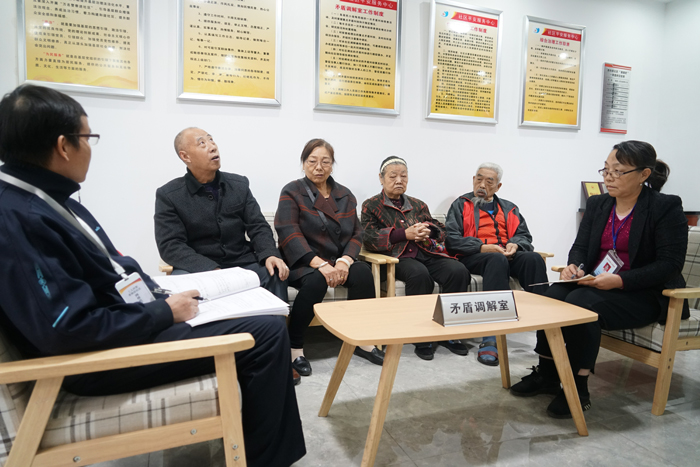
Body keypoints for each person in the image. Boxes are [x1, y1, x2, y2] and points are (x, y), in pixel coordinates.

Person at [0, 84, 305, 467]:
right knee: (267, 332)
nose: (212, 146)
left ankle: (252, 438)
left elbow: (112, 269)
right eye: (88, 138)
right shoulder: (20, 218)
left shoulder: (47, 200)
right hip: (98, 358)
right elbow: (68, 328)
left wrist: (158, 295)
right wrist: (164, 311)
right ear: (64, 146)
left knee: (267, 290)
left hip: (129, 321)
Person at [509, 141, 689, 419]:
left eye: (618, 171)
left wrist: (620, 281)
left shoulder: (665, 206)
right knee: (552, 297)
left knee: (582, 303)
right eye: (606, 170)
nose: (609, 177)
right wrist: (575, 267)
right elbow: (581, 247)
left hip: (647, 292)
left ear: (643, 174)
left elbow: (669, 264)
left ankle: (578, 388)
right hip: (599, 284)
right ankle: (547, 373)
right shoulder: (598, 204)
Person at [275, 138, 383, 376]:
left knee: (362, 273)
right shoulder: (292, 191)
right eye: (312, 161)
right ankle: (295, 347)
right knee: (316, 280)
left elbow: (356, 233)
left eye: (325, 161)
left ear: (332, 165)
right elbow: (288, 231)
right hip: (303, 261)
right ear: (303, 163)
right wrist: (320, 264)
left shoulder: (345, 195)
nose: (319, 167)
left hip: (337, 260)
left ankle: (362, 340)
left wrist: (345, 261)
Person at [154, 127, 289, 300]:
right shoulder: (169, 195)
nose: (212, 147)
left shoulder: (239, 184)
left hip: (241, 263)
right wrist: (210, 268)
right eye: (202, 143)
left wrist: (269, 253)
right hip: (198, 267)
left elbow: (258, 226)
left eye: (211, 140)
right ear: (185, 156)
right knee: (180, 287)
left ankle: (277, 319)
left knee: (274, 272)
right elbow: (170, 245)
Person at [362, 156, 472, 361]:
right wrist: (405, 234)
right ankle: (422, 338)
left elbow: (440, 229)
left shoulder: (418, 204)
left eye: (403, 176)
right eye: (393, 176)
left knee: (458, 271)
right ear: (381, 178)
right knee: (419, 275)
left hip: (426, 252)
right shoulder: (371, 205)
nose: (399, 180)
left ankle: (451, 332)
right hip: (397, 257)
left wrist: (429, 230)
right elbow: (369, 237)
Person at [445, 162, 548, 366]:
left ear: (498, 186)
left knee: (533, 258)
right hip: (475, 256)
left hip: (505, 254)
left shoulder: (510, 208)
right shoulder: (461, 204)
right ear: (473, 180)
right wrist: (482, 247)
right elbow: (451, 240)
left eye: (489, 181)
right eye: (479, 179)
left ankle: (547, 331)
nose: (482, 185)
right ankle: (491, 336)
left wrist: (515, 245)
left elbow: (524, 236)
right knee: (496, 259)